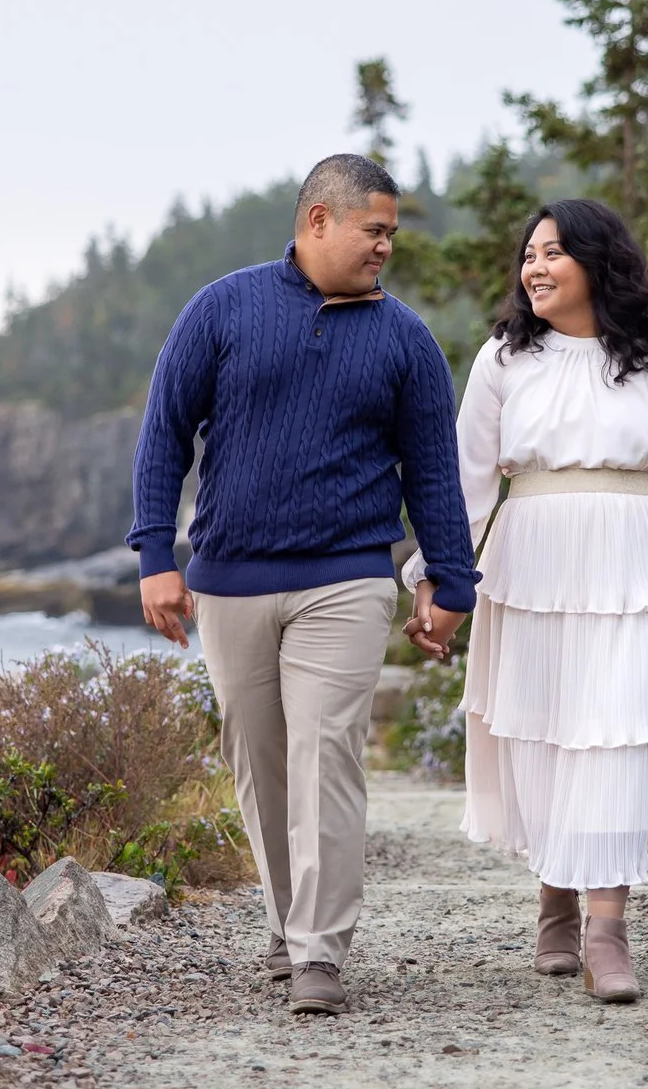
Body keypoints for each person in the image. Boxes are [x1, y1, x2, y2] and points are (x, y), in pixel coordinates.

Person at [130, 152, 477, 1017]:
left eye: (393, 234)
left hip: (348, 579)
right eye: (375, 230)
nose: (386, 247)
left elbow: (434, 475)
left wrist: (452, 584)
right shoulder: (223, 308)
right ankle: (289, 927)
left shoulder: (407, 340)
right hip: (230, 581)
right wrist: (155, 558)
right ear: (319, 220)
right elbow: (163, 434)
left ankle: (320, 951)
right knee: (258, 762)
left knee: (327, 754)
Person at [402, 198, 648, 1002]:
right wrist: (440, 579)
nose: (535, 267)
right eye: (528, 254)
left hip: (635, 560)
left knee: (617, 739)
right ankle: (555, 897)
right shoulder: (504, 359)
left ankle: (607, 930)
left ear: (597, 261)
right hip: (533, 560)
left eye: (553, 252)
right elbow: (468, 482)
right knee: (547, 736)